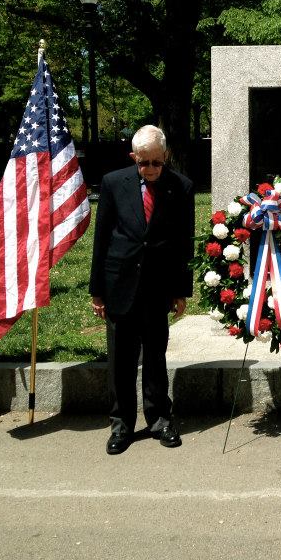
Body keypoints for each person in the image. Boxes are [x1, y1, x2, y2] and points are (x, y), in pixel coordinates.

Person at [90, 125, 195, 455]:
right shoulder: (112, 183)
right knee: (121, 358)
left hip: (158, 286)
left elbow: (183, 243)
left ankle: (160, 417)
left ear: (165, 156)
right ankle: (121, 422)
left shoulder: (181, 187)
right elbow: (102, 238)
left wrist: (181, 291)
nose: (149, 169)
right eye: (143, 163)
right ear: (133, 157)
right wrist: (98, 291)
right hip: (120, 283)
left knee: (155, 355)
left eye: (156, 163)